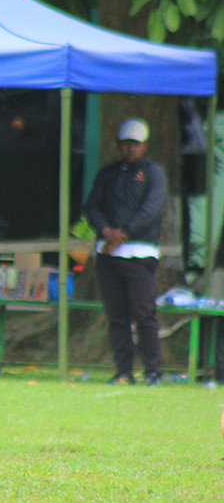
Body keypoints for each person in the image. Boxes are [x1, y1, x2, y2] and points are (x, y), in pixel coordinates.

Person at [82, 118, 167, 387]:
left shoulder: (153, 173)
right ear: (119, 145)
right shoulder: (108, 174)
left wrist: (123, 233)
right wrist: (105, 230)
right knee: (116, 316)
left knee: (144, 314)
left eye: (136, 144)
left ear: (145, 146)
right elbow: (92, 206)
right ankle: (123, 371)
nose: (131, 149)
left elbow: (151, 210)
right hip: (108, 254)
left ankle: (153, 371)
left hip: (140, 254)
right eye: (127, 143)